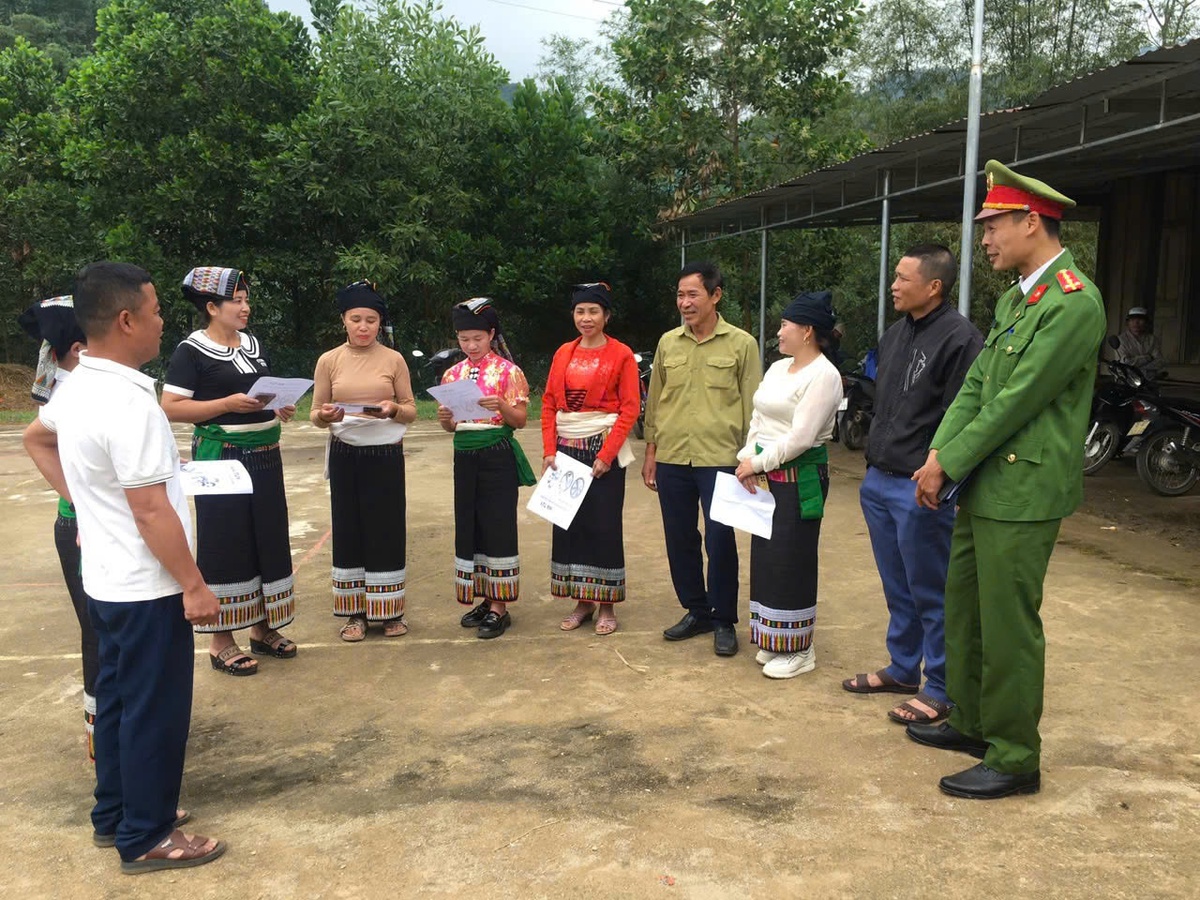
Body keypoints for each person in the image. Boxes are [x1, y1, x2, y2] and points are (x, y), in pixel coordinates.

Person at [909, 160, 1106, 799]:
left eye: (993, 225)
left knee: (1009, 623)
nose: (985, 240)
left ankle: (1017, 756)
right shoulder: (1018, 297)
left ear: (1031, 221)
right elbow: (975, 387)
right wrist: (938, 454)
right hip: (986, 484)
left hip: (1024, 491)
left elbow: (1017, 400)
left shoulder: (1074, 303)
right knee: (966, 611)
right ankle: (971, 721)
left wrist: (951, 461)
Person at [23, 261, 224, 873]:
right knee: (153, 708)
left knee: (115, 700)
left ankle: (114, 814)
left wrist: (86, 508)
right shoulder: (129, 402)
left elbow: (37, 439)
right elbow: (149, 507)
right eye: (158, 310)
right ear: (127, 318)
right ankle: (147, 833)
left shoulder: (77, 384)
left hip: (106, 581)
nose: (165, 322)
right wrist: (192, 584)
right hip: (146, 584)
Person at [842, 245, 983, 723]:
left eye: (903, 278)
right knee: (896, 584)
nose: (894, 286)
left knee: (931, 588)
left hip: (919, 485)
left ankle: (941, 685)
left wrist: (940, 472)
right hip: (879, 479)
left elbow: (962, 415)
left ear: (934, 286)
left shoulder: (961, 339)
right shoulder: (895, 334)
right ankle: (903, 667)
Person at [161, 267, 298, 675]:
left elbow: (261, 392)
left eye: (245, 299)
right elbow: (171, 406)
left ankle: (263, 627)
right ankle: (221, 640)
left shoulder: (252, 344)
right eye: (236, 300)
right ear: (211, 307)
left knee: (267, 535)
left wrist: (278, 406)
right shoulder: (192, 350)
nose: (245, 307)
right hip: (221, 456)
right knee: (225, 540)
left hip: (264, 454)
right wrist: (226, 404)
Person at [642, 261, 762, 657]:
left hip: (721, 458)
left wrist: (752, 459)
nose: (685, 302)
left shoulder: (741, 344)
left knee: (720, 539)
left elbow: (753, 407)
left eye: (692, 294)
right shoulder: (667, 343)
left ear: (715, 295)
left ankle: (724, 618)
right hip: (674, 457)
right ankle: (696, 610)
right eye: (680, 294)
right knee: (679, 538)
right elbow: (656, 400)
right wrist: (652, 452)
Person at [734, 291, 843, 678]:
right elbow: (759, 417)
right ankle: (774, 638)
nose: (778, 333)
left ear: (808, 330)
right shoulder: (779, 369)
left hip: (801, 480)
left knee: (792, 559)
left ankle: (801, 648)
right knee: (766, 558)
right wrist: (747, 456)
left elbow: (800, 438)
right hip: (767, 477)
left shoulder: (825, 376)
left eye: (784, 325)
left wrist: (755, 463)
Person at [310, 281, 417, 642]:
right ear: (343, 320)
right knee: (349, 526)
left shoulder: (394, 359)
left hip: (385, 453)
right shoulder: (329, 360)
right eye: (356, 319)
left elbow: (411, 410)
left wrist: (394, 409)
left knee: (386, 527)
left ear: (379, 323)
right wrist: (327, 415)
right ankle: (354, 613)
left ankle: (389, 611)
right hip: (345, 452)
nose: (363, 327)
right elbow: (314, 413)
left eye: (371, 320)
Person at [18, 295, 97, 756]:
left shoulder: (82, 383)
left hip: (84, 526)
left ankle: (108, 737)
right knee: (102, 636)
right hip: (82, 530)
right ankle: (106, 740)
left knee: (101, 635)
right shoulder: (75, 392)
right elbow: (37, 441)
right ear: (80, 347)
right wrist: (83, 501)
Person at [540, 282, 640, 635]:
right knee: (570, 527)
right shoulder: (563, 353)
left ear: (607, 316)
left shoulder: (621, 355)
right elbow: (550, 402)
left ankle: (607, 605)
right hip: (567, 450)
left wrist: (607, 454)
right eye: (580, 311)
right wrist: (549, 450)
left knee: (603, 527)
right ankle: (582, 601)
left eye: (593, 311)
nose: (586, 318)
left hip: (602, 449)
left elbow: (630, 408)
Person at [438, 297, 535, 640]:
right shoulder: (452, 374)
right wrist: (446, 419)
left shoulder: (510, 372)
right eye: (464, 339)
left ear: (491, 334)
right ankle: (483, 596)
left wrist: (502, 407)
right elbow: (452, 428)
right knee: (470, 525)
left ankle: (500, 606)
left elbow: (520, 420)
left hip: (496, 451)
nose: (471, 345)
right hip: (464, 455)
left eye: (477, 338)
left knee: (497, 524)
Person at [1115, 307, 1166, 381]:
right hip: (1127, 380)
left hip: (1148, 379)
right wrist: (1147, 358)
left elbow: (1159, 361)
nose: (1136, 323)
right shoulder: (1121, 340)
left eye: (1140, 319)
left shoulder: (1152, 339)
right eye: (1132, 320)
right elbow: (1125, 362)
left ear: (1146, 322)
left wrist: (1140, 368)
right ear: (1128, 323)